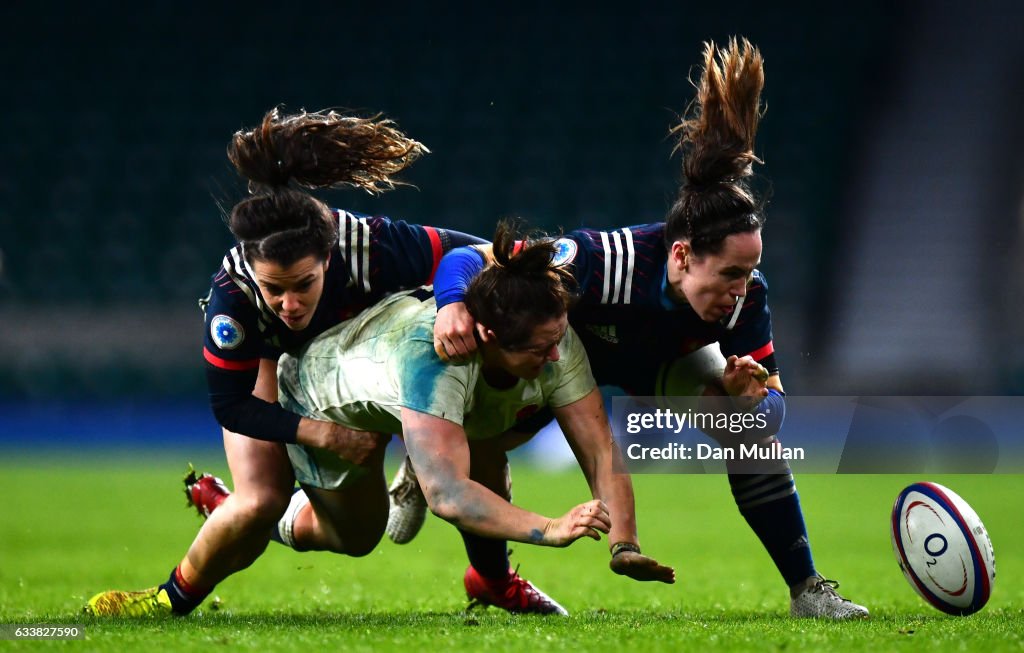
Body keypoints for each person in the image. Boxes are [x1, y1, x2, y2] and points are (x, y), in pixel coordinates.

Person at [418, 38, 869, 620]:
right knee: (486, 444)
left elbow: (775, 409)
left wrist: (750, 403)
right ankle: (495, 578)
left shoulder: (745, 298)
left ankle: (808, 590)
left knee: (749, 433)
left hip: (663, 363)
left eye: (751, 271)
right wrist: (451, 304)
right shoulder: (600, 260)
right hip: (562, 356)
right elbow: (467, 259)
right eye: (730, 271)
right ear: (681, 257)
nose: (742, 286)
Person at [143, 223, 676, 613]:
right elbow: (451, 495)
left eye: (557, 341)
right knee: (357, 534)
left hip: (407, 380)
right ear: (491, 336)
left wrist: (623, 542)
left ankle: (490, 578)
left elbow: (600, 446)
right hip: (322, 395)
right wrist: (552, 528)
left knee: (487, 446)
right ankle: (229, 518)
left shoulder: (548, 332)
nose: (557, 356)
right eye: (542, 348)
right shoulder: (435, 359)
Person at [84, 107, 485, 617]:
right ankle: (167, 599)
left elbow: (477, 255)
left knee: (359, 539)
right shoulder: (232, 295)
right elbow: (231, 405)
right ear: (253, 267)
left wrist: (452, 301)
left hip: (352, 370)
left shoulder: (371, 244)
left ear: (328, 257)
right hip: (271, 372)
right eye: (274, 289)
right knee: (259, 503)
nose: (289, 304)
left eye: (304, 285)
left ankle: (415, 455)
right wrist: (326, 435)